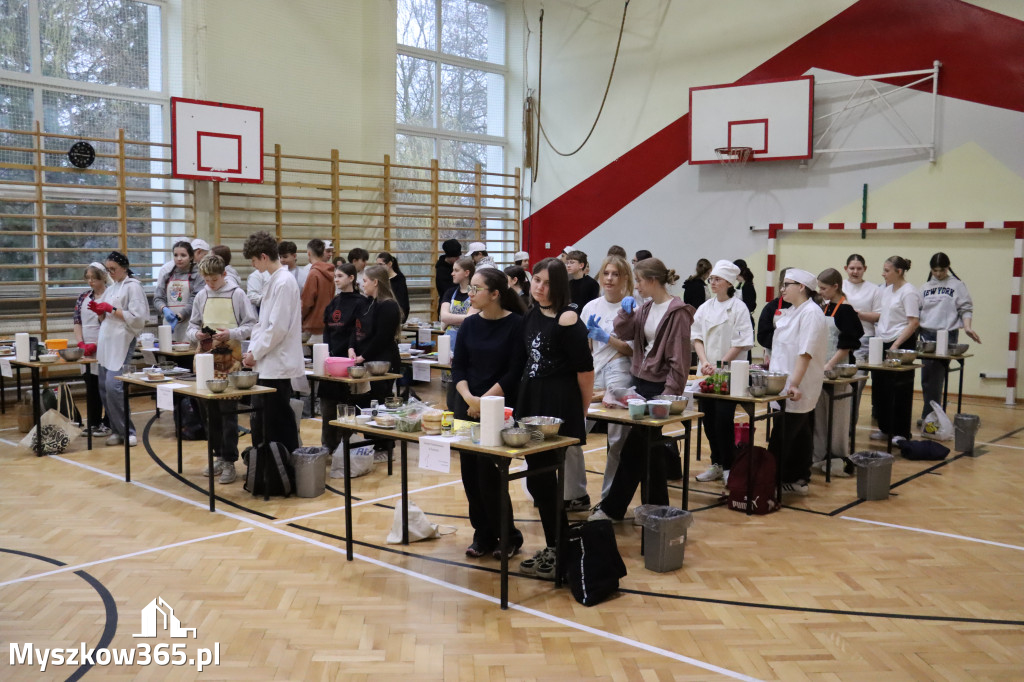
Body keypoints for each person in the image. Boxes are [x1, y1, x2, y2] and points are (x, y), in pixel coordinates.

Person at [590, 257, 694, 522]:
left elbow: (680, 361)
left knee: (635, 448)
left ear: (652, 280)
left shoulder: (678, 312)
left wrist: (669, 397)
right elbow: (623, 330)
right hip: (641, 384)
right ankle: (657, 510)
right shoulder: (646, 308)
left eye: (638, 280)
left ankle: (614, 508)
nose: (636, 286)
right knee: (650, 448)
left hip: (660, 388)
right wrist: (625, 312)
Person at [515, 258, 594, 580]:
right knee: (537, 479)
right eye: (536, 280)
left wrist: (581, 414)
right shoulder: (530, 314)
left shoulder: (568, 319)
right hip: (531, 400)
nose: (540, 288)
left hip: (558, 406)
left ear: (559, 285)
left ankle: (559, 547)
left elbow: (585, 373)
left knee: (545, 479)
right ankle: (556, 544)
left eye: (547, 283)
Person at [451, 267, 527, 559]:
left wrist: (483, 401)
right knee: (470, 475)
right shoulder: (469, 324)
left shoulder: (517, 325)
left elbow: (513, 372)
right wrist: (469, 397)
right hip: (466, 404)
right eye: (470, 288)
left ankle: (508, 535)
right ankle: (482, 533)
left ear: (495, 294)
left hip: (497, 407)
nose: (470, 294)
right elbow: (458, 367)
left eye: (476, 289)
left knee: (489, 475)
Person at [186, 254, 258, 484]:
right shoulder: (201, 295)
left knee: (227, 413)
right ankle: (218, 455)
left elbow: (251, 324)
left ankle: (229, 459)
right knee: (208, 412)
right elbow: (192, 325)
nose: (210, 284)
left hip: (230, 359)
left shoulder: (237, 294)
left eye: (214, 279)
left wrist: (230, 333)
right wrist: (195, 334)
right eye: (206, 280)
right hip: (205, 359)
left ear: (224, 275)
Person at [765, 268, 829, 496]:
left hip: (797, 385)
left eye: (786, 284)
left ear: (802, 287)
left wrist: (794, 383)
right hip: (782, 384)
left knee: (783, 436)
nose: (782, 289)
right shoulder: (792, 311)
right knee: (800, 433)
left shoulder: (811, 313)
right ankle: (798, 479)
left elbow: (805, 353)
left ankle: (770, 483)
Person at [691, 260, 754, 484]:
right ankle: (716, 463)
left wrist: (720, 365)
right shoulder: (705, 307)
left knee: (723, 419)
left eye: (717, 279)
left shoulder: (739, 308)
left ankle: (730, 466)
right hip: (707, 371)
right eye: (711, 279)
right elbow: (696, 336)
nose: (712, 283)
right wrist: (705, 361)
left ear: (729, 282)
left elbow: (742, 341)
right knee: (708, 419)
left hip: (729, 374)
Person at [241, 232, 304, 453]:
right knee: (263, 422)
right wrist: (251, 351)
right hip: (268, 362)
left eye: (254, 259)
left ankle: (286, 470)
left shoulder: (284, 282)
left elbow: (277, 328)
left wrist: (255, 353)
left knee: (279, 423)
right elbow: (262, 323)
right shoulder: (273, 280)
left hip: (279, 363)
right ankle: (266, 469)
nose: (253, 264)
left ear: (264, 256)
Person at [580, 255, 635, 500]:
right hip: (594, 368)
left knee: (617, 439)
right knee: (573, 434)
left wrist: (606, 337)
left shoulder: (632, 307)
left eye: (615, 274)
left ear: (625, 278)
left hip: (620, 370)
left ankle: (609, 500)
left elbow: (632, 350)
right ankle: (575, 494)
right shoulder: (591, 306)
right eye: (606, 273)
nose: (610, 279)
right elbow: (584, 346)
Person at [92, 251, 149, 447]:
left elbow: (138, 317)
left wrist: (111, 310)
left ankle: (128, 430)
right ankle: (116, 429)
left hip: (123, 339)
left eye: (113, 269)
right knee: (103, 387)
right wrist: (99, 311)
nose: (111, 273)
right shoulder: (112, 288)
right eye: (108, 270)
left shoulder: (133, 287)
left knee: (113, 386)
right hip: (107, 340)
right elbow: (105, 314)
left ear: (124, 267)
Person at [811, 268, 863, 477]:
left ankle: (838, 457)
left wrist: (830, 364)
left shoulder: (846, 311)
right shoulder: (825, 308)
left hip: (838, 371)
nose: (820, 292)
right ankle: (820, 456)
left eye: (824, 288)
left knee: (838, 418)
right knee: (820, 416)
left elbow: (848, 344)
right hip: (821, 370)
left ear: (835, 287)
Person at [865, 256, 921, 443]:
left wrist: (896, 345)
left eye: (887, 270)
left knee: (900, 388)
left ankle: (901, 432)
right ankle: (885, 428)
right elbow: (883, 315)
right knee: (881, 387)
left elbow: (913, 322)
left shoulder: (909, 292)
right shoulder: (887, 290)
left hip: (901, 343)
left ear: (899, 272)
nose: (883, 274)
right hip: (884, 341)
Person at [918, 252, 980, 422]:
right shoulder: (924, 287)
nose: (938, 274)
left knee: (935, 376)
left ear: (948, 268)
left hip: (947, 334)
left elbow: (966, 307)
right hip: (926, 333)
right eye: (935, 270)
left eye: (942, 270)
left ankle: (931, 416)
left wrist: (967, 327)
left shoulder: (957, 285)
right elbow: (918, 312)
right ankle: (931, 414)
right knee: (926, 378)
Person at [319, 263, 368, 452]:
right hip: (331, 362)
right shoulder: (333, 302)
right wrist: (326, 354)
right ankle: (327, 446)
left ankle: (345, 447)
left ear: (351, 278)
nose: (336, 279)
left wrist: (350, 350)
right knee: (327, 405)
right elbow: (327, 330)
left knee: (347, 407)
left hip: (348, 362)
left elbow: (356, 332)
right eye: (335, 276)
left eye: (340, 276)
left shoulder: (360, 302)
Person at [73, 262, 112, 437]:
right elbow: (77, 322)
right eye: (88, 278)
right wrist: (81, 343)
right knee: (91, 386)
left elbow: (108, 323)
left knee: (105, 386)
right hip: (86, 349)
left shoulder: (110, 295)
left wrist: (96, 344)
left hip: (104, 345)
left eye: (94, 278)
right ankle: (93, 423)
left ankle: (108, 422)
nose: (90, 282)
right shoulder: (82, 297)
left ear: (102, 278)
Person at [153, 240, 203, 342]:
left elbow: (195, 299)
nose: (179, 259)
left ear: (191, 257)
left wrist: (180, 316)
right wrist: (164, 309)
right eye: (176, 255)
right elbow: (158, 297)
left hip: (189, 324)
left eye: (183, 255)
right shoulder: (167, 276)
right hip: (168, 324)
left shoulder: (198, 275)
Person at [300, 238, 336, 343]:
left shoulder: (314, 273)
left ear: (309, 253)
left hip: (313, 325)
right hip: (326, 322)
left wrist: (300, 317)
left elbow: (307, 302)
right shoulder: (331, 273)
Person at [756, 267, 792, 367]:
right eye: (784, 285)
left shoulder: (804, 308)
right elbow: (762, 336)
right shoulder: (771, 307)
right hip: (774, 358)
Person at [440, 256, 477, 331]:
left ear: (466, 273)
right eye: (453, 270)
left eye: (456, 270)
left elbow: (471, 318)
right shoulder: (450, 292)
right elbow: (443, 317)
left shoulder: (475, 292)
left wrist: (449, 319)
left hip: (468, 337)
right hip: (451, 337)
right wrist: (463, 318)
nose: (452, 274)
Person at [376, 251, 409, 321]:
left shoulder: (399, 279)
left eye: (381, 264)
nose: (378, 268)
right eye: (377, 265)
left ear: (390, 264)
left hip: (393, 315)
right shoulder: (379, 278)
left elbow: (402, 301)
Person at [434, 238, 462, 314]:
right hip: (447, 304)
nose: (458, 259)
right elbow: (448, 291)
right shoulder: (442, 270)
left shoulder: (455, 265)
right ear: (449, 257)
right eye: (456, 257)